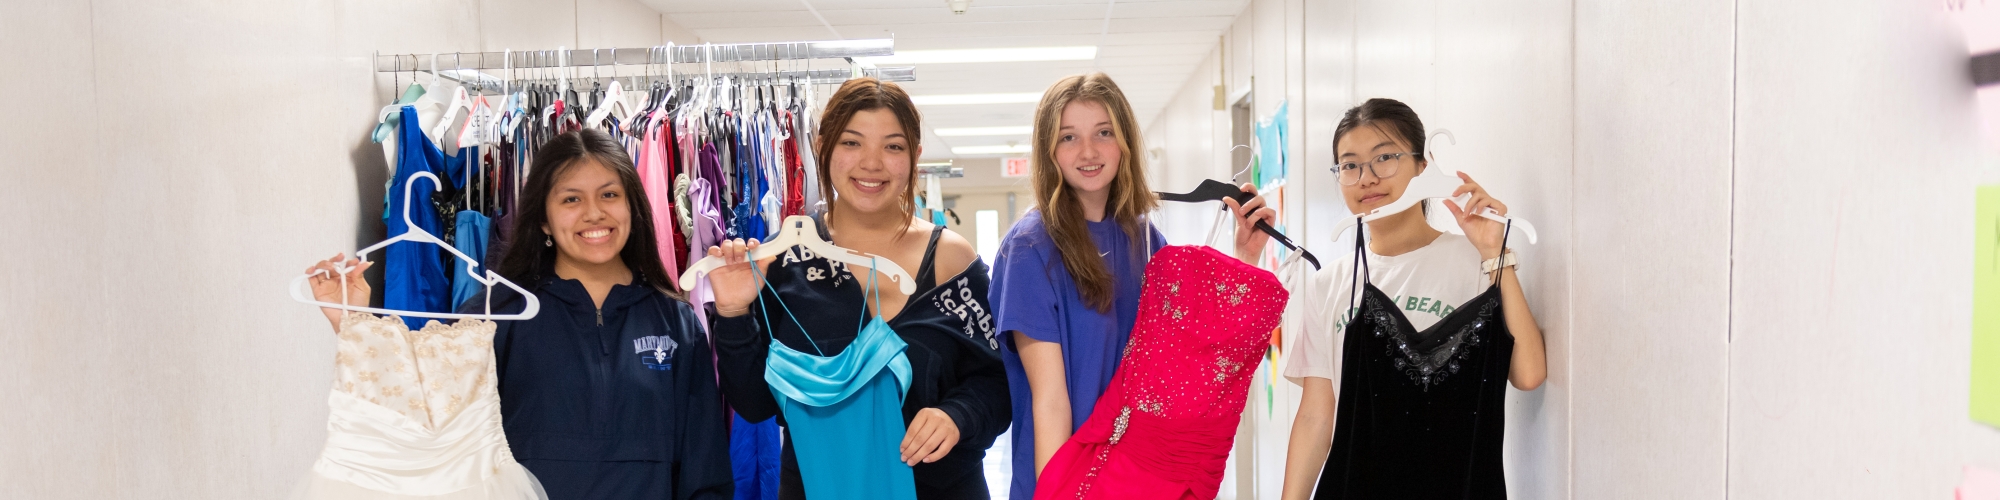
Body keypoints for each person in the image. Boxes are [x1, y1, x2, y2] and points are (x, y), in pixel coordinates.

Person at [312, 128, 735, 499]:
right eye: (571, 199)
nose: (594, 213)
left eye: (610, 195)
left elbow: (704, 469)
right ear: (545, 220)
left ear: (632, 208)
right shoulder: (496, 316)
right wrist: (351, 322)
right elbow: (421, 412)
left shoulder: (676, 323)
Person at [704, 77, 1011, 499]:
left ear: (914, 156)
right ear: (823, 147)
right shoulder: (783, 259)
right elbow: (756, 405)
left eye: (893, 146)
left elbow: (998, 383)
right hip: (818, 487)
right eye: (852, 143)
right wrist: (735, 313)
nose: (872, 163)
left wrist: (958, 416)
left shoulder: (952, 260)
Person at [990, 72, 1276, 500]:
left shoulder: (1143, 240)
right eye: (1069, 137)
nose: (1088, 151)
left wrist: (1244, 257)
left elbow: (1184, 361)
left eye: (1103, 133)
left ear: (1124, 142)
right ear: (1049, 151)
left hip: (1139, 478)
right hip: (1066, 479)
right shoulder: (1031, 249)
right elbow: (1049, 399)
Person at [1277, 98, 1547, 499]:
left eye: (1384, 157)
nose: (1366, 177)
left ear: (1424, 165)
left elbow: (1528, 373)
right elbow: (1317, 415)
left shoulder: (1475, 262)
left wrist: (1494, 252)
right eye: (1349, 165)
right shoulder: (1330, 283)